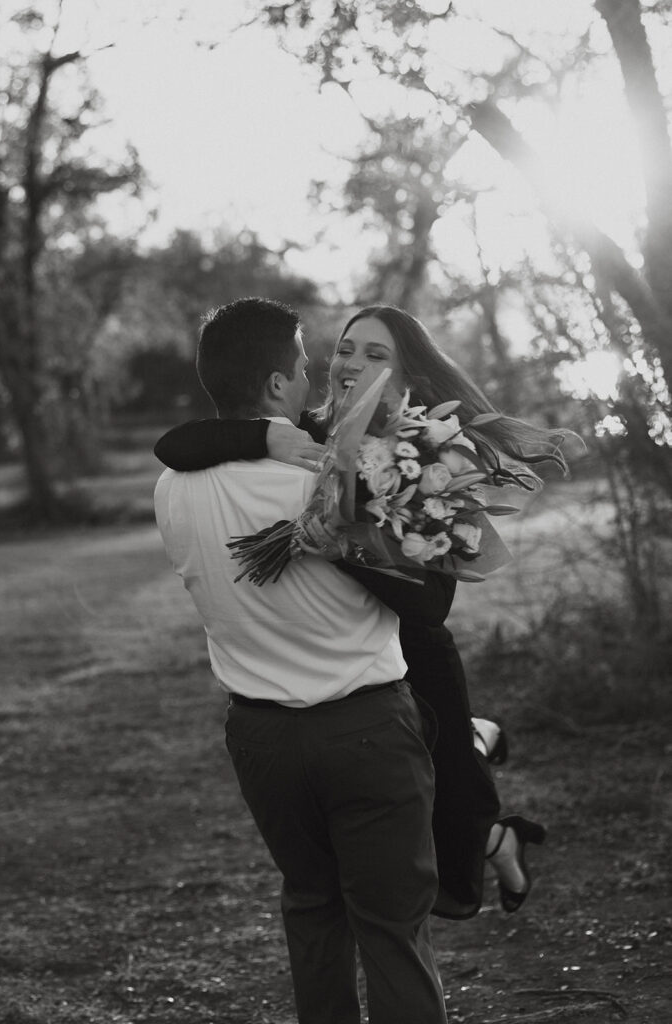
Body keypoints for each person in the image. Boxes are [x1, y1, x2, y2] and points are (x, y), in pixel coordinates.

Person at [155, 303, 562, 917]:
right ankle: (483, 765)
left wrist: (342, 546)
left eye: (377, 354)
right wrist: (262, 435)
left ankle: (484, 784)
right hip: (359, 668)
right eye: (346, 349)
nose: (353, 363)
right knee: (410, 827)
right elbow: (177, 444)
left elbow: (434, 603)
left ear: (407, 373)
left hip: (416, 652)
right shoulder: (316, 433)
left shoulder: (423, 452)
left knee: (448, 826)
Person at [154, 297, 448, 1024]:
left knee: (313, 917)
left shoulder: (169, 489)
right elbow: (429, 603)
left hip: (262, 743)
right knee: (390, 929)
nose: (322, 374)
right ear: (280, 386)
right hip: (365, 731)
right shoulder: (332, 481)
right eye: (307, 366)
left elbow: (183, 446)